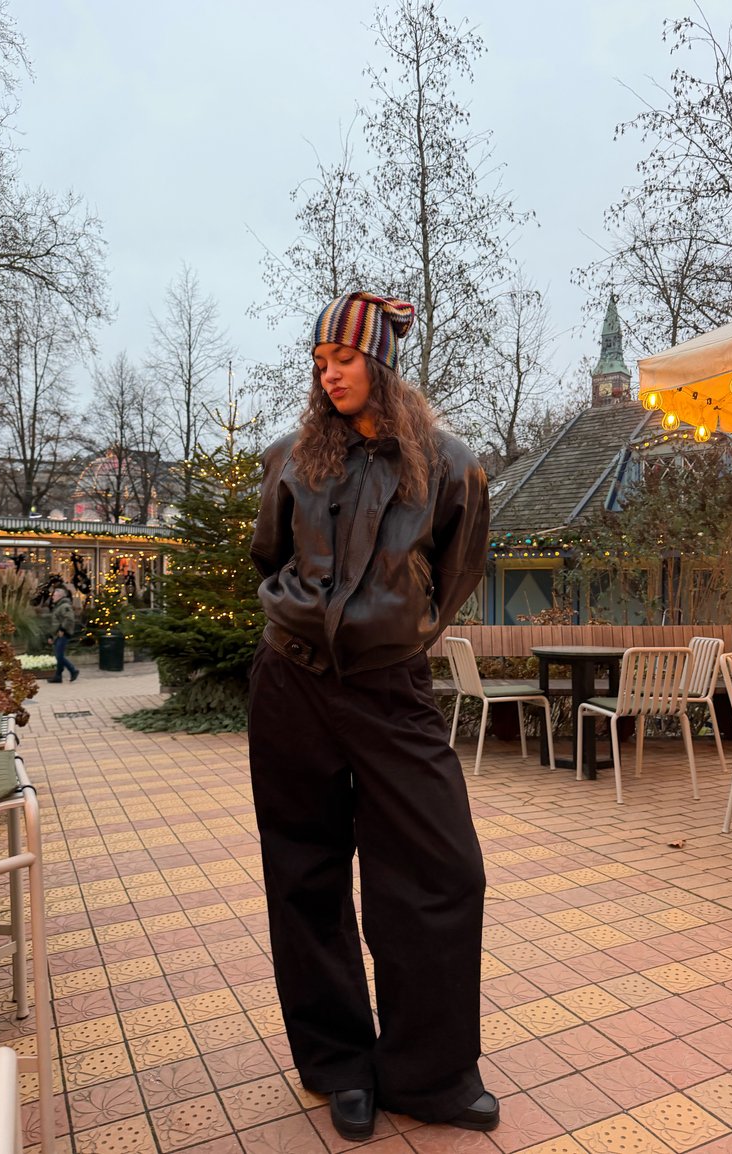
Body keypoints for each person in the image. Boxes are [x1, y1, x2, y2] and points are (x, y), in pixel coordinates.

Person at [248, 291, 495, 1140]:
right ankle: (339, 1065)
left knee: (442, 870)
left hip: (392, 691)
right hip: (293, 685)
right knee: (306, 870)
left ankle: (430, 1075)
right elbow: (269, 555)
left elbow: (459, 569)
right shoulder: (290, 457)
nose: (327, 376)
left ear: (379, 362)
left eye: (341, 361)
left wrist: (401, 629)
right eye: (319, 365)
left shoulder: (451, 465)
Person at [46, 584, 80, 684]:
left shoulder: (64, 606)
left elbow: (69, 618)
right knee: (58, 655)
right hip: (57, 634)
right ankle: (58, 676)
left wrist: (62, 630)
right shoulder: (58, 606)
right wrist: (51, 636)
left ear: (60, 596)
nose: (52, 597)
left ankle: (73, 671)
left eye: (54, 595)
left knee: (59, 656)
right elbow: (54, 623)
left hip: (62, 634)